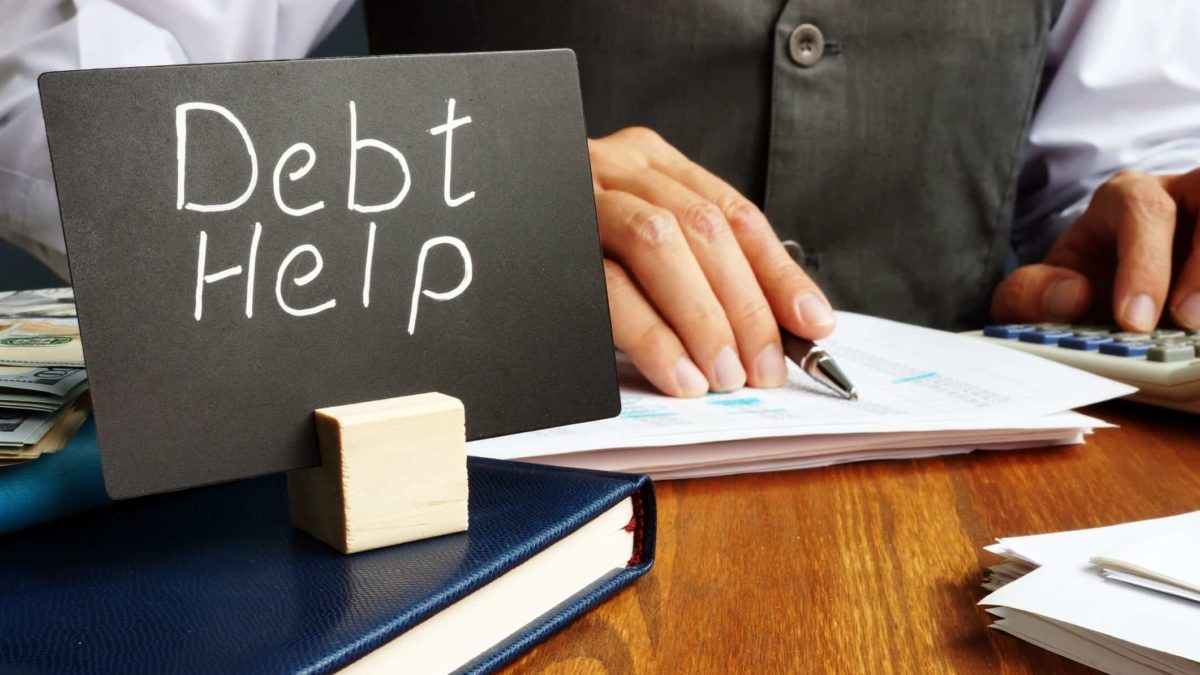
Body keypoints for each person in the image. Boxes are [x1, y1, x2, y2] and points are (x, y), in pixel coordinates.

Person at [3, 1, 1199, 399]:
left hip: (981, 548)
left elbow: (1114, 163)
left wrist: (1139, 243)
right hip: (484, 534)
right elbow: (51, 79)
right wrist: (441, 188)